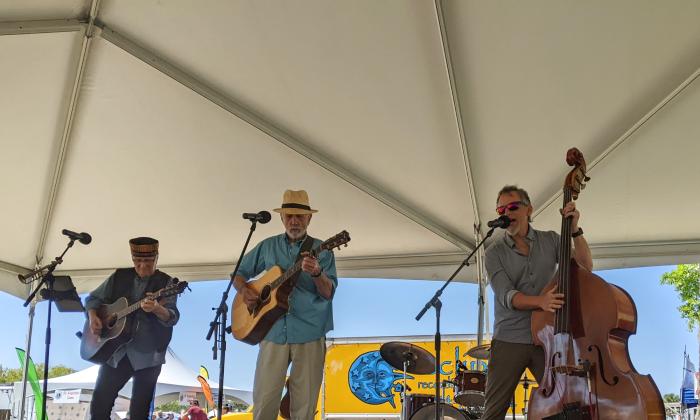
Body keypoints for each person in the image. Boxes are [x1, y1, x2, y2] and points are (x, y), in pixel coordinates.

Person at [482, 185, 593, 420]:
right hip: (509, 339)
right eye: (501, 209)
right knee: (493, 412)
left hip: (548, 339)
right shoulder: (493, 252)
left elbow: (585, 267)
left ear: (528, 210)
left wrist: (574, 230)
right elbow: (506, 295)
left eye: (512, 207)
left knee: (566, 404)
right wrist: (541, 301)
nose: (506, 213)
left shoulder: (551, 240)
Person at [234, 190, 338, 420]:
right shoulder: (267, 246)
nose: (294, 221)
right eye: (289, 215)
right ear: (282, 218)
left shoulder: (323, 250)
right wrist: (245, 291)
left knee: (304, 406)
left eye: (300, 216)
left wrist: (317, 272)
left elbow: (328, 292)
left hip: (309, 331)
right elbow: (238, 273)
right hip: (271, 331)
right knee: (264, 402)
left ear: (309, 219)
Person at [86, 237, 180, 420]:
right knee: (99, 405)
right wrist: (93, 316)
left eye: (147, 261)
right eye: (137, 261)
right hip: (116, 352)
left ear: (156, 258)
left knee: (139, 412)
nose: (142, 266)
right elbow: (93, 299)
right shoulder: (120, 276)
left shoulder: (167, 283)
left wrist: (158, 309)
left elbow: (172, 317)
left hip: (149, 354)